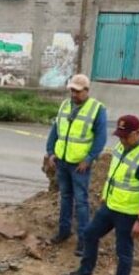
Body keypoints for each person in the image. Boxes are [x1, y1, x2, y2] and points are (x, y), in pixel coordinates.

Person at [60, 115, 139, 275]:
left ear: (137, 133)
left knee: (123, 252)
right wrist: (106, 196)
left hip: (129, 213)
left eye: (125, 136)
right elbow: (115, 176)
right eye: (119, 136)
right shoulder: (122, 147)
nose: (121, 140)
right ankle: (84, 273)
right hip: (110, 207)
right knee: (90, 234)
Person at [43, 74, 108, 255]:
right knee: (65, 197)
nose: (73, 94)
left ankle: (83, 240)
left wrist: (89, 159)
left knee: (81, 202)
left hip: (80, 165)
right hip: (62, 161)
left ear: (87, 91)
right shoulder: (65, 105)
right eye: (72, 90)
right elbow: (55, 130)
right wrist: (50, 152)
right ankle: (64, 232)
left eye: (77, 91)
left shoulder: (97, 110)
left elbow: (101, 138)